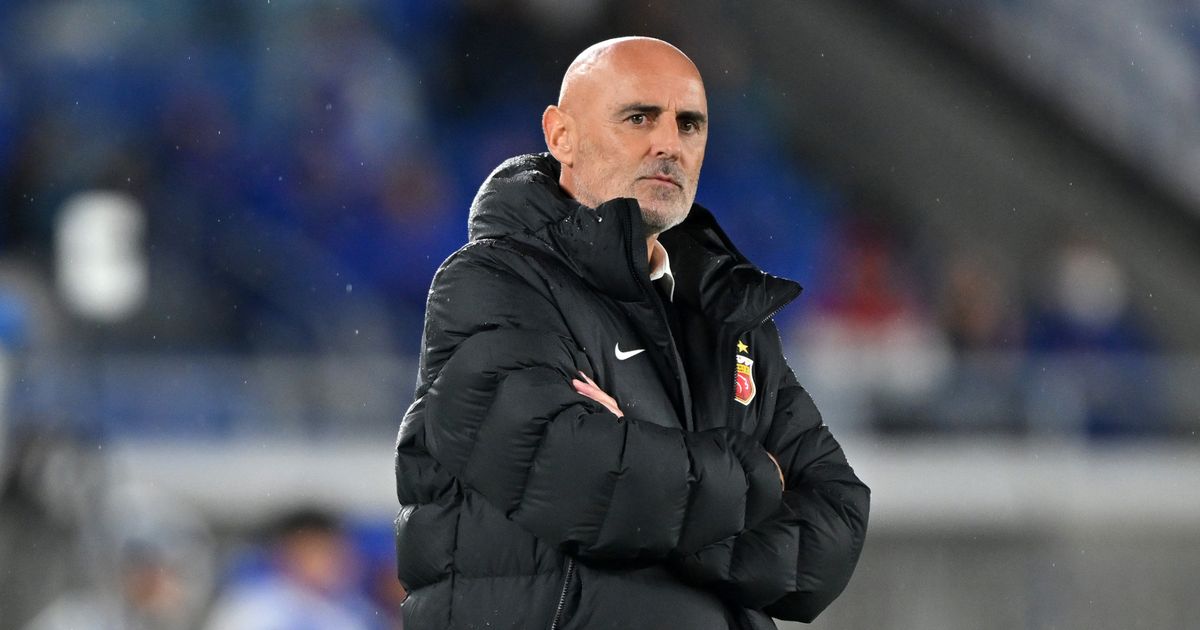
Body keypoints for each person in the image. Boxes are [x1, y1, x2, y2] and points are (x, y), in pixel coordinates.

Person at [394, 37, 869, 629]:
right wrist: (759, 478)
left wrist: (655, 482)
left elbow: (832, 533)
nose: (669, 144)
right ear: (561, 135)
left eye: (689, 124)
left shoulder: (728, 317)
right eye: (639, 117)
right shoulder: (494, 281)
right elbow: (581, 478)